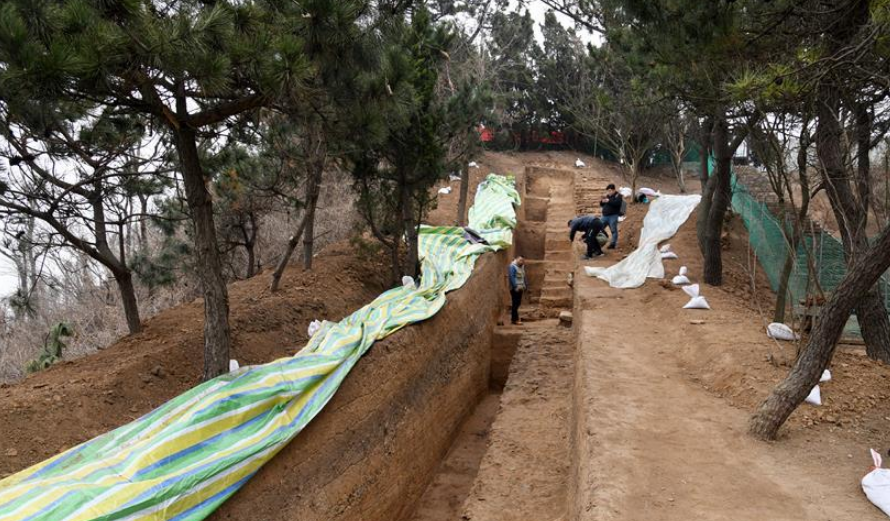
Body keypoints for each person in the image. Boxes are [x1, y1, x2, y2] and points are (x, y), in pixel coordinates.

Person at [599, 183, 623, 250]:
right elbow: (601, 204)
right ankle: (601, 240)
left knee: (613, 230)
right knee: (599, 227)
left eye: (610, 190)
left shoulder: (618, 196)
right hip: (605, 216)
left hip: (613, 216)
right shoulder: (607, 196)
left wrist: (608, 201)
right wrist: (602, 201)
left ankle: (613, 244)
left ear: (613, 190)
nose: (608, 192)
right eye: (608, 191)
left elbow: (617, 203)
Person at [508, 256, 527, 325]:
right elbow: (511, 277)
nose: (521, 262)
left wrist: (525, 285)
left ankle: (515, 319)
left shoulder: (521, 267)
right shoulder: (512, 267)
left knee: (518, 303)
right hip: (515, 289)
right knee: (515, 304)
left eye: (523, 261)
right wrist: (515, 286)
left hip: (520, 288)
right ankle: (514, 320)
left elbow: (523, 276)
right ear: (516, 259)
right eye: (520, 260)